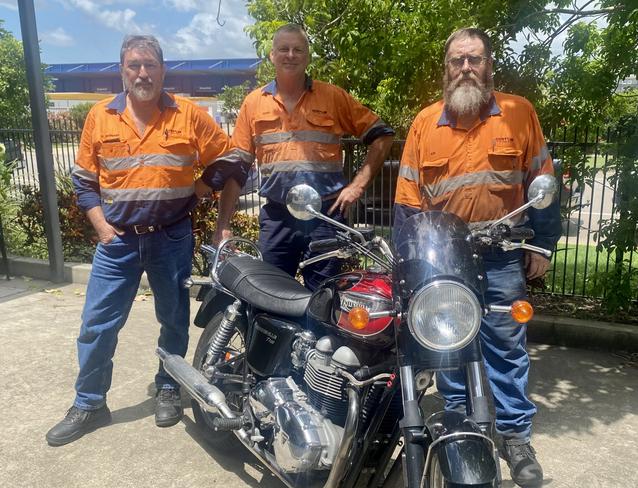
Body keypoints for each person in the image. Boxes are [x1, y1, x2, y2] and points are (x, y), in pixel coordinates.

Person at [46, 35, 247, 446]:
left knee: (172, 320)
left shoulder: (188, 115)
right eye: (134, 65)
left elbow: (232, 158)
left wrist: (202, 188)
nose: (142, 73)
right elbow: (84, 181)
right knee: (96, 325)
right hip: (116, 243)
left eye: (150, 65)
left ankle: (169, 387)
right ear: (122, 70)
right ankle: (89, 403)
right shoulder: (100, 117)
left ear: (162, 69)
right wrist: (102, 227)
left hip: (171, 239)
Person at [394, 28, 561, 488]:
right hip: (443, 258)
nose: (466, 67)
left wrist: (540, 246)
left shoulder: (519, 113)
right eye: (456, 61)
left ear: (489, 65)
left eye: (475, 59)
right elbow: (407, 204)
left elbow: (543, 183)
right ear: (445, 70)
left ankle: (514, 436)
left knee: (505, 347)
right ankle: (459, 428)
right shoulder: (425, 123)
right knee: (448, 346)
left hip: (502, 254)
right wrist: (406, 261)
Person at [214, 23, 395, 290]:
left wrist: (358, 185)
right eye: (283, 49)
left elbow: (382, 135)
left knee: (321, 300)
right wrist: (223, 225)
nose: (290, 55)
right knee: (269, 296)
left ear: (307, 56)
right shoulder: (254, 103)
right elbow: (236, 169)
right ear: (272, 56)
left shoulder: (331, 97)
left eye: (298, 49)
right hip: (277, 218)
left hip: (325, 217)